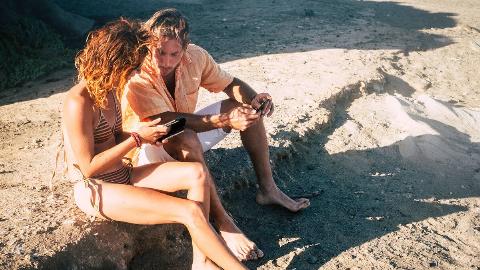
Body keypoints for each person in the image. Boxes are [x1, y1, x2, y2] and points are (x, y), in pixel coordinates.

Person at [121, 8, 310, 261]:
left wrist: (255, 100)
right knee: (184, 134)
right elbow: (166, 123)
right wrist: (223, 120)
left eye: (174, 53)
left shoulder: (195, 56)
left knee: (243, 110)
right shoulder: (137, 73)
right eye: (159, 52)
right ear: (149, 46)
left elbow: (231, 84)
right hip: (144, 154)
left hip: (182, 140)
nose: (165, 61)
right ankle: (223, 222)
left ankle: (268, 189)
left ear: (185, 48)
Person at [62, 18, 247, 270]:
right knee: (189, 211)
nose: (136, 73)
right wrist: (138, 139)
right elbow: (89, 168)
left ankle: (201, 261)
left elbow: (114, 138)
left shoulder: (108, 91)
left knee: (197, 173)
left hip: (123, 174)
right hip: (96, 189)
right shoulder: (78, 102)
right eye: (132, 68)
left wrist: (151, 133)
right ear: (113, 64)